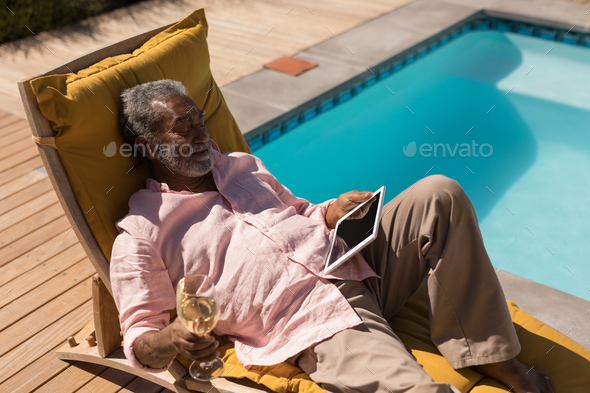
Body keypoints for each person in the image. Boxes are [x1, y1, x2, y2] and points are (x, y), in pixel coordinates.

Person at [110, 79, 554, 393]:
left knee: (440, 193)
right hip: (313, 321)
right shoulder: (142, 233)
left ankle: (490, 353)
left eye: (200, 121)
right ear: (147, 144)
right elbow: (141, 339)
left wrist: (332, 211)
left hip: (357, 262)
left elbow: (302, 212)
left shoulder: (242, 165)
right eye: (182, 127)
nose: (201, 134)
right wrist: (171, 338)